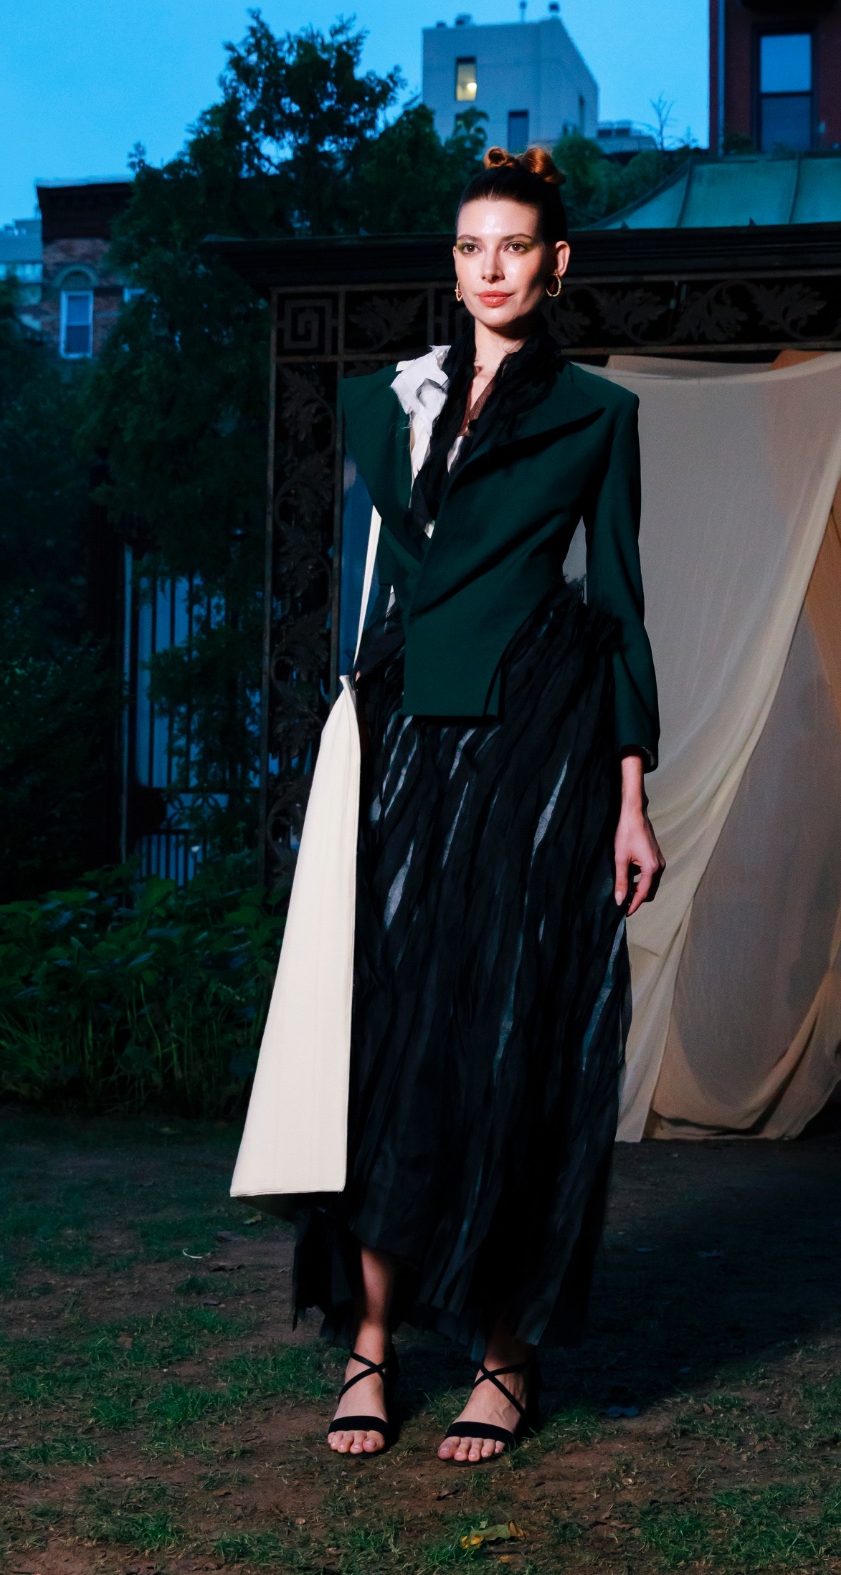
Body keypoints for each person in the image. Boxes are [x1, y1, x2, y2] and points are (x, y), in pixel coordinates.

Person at [292, 145, 664, 1466]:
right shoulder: (391, 403)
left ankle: (505, 1359)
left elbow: (620, 607)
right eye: (469, 247)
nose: (490, 268)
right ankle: (372, 1345)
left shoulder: (599, 415)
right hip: (405, 734)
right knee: (382, 1036)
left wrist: (631, 795)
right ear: (452, 266)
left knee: (510, 1034)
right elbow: (378, 585)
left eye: (513, 247)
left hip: (539, 744)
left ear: (557, 265)